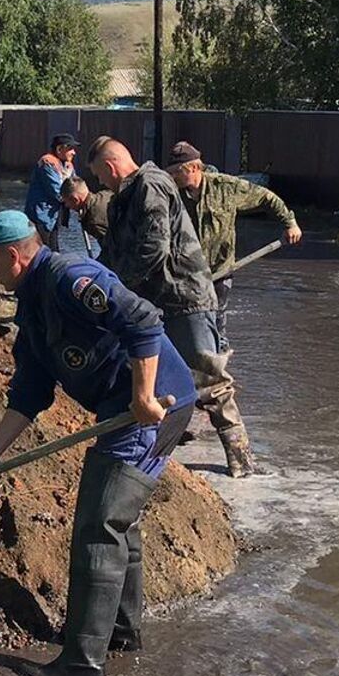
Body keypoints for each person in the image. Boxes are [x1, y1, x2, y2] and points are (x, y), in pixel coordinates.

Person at [0, 210, 197, 676]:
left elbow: (145, 322)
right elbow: (30, 394)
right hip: (124, 409)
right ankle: (120, 634)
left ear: (13, 255)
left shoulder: (72, 277)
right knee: (117, 520)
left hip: (154, 406)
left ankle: (82, 661)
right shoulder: (31, 309)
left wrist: (142, 397)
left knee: (100, 523)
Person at [86, 136, 260, 478]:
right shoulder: (124, 198)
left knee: (209, 381)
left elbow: (154, 247)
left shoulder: (151, 185)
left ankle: (243, 463)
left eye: (99, 177)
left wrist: (117, 286)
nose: (100, 184)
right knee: (158, 378)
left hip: (185, 299)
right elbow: (113, 253)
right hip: (155, 305)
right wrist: (92, 282)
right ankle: (165, 456)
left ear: (109, 166)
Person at [167, 140, 302, 341]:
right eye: (171, 172)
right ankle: (192, 359)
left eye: (178, 171)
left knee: (218, 318)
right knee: (189, 319)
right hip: (187, 271)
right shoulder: (170, 194)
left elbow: (267, 198)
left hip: (220, 269)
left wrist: (290, 223)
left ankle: (218, 362)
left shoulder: (226, 187)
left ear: (194, 167)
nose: (173, 176)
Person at [23, 132, 79, 236]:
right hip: (41, 214)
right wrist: (74, 202)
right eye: (70, 149)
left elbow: (76, 185)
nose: (74, 153)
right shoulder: (47, 163)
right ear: (59, 149)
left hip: (55, 214)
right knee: (44, 248)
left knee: (54, 248)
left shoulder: (68, 166)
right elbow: (56, 191)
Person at [58, 175, 110, 258]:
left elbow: (111, 247)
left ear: (75, 199)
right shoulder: (105, 195)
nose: (67, 206)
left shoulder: (93, 220)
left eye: (66, 202)